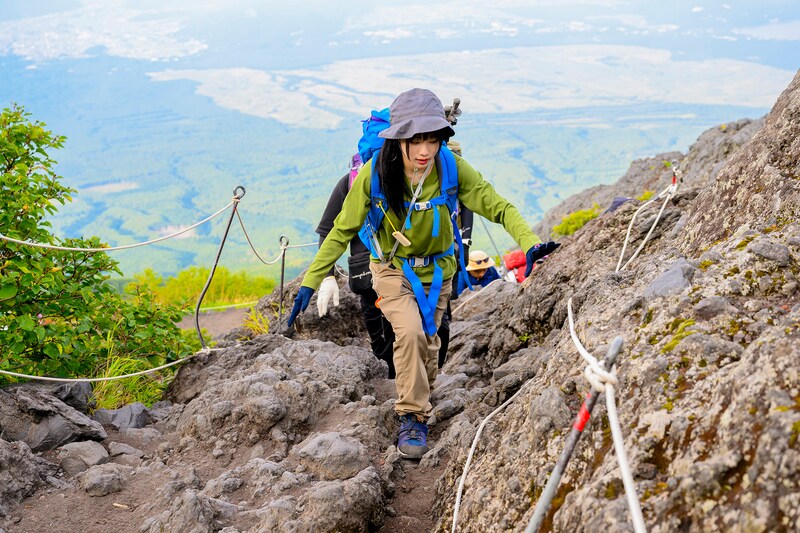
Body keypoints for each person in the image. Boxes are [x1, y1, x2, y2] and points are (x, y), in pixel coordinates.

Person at [288, 88, 558, 459]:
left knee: (430, 344)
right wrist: (313, 278)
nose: (424, 149)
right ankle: (411, 418)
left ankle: (420, 401)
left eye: (432, 138)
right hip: (391, 268)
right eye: (415, 139)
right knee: (411, 332)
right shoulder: (375, 174)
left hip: (439, 271)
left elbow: (497, 205)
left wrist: (529, 243)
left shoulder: (450, 167)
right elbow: (341, 229)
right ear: (398, 137)